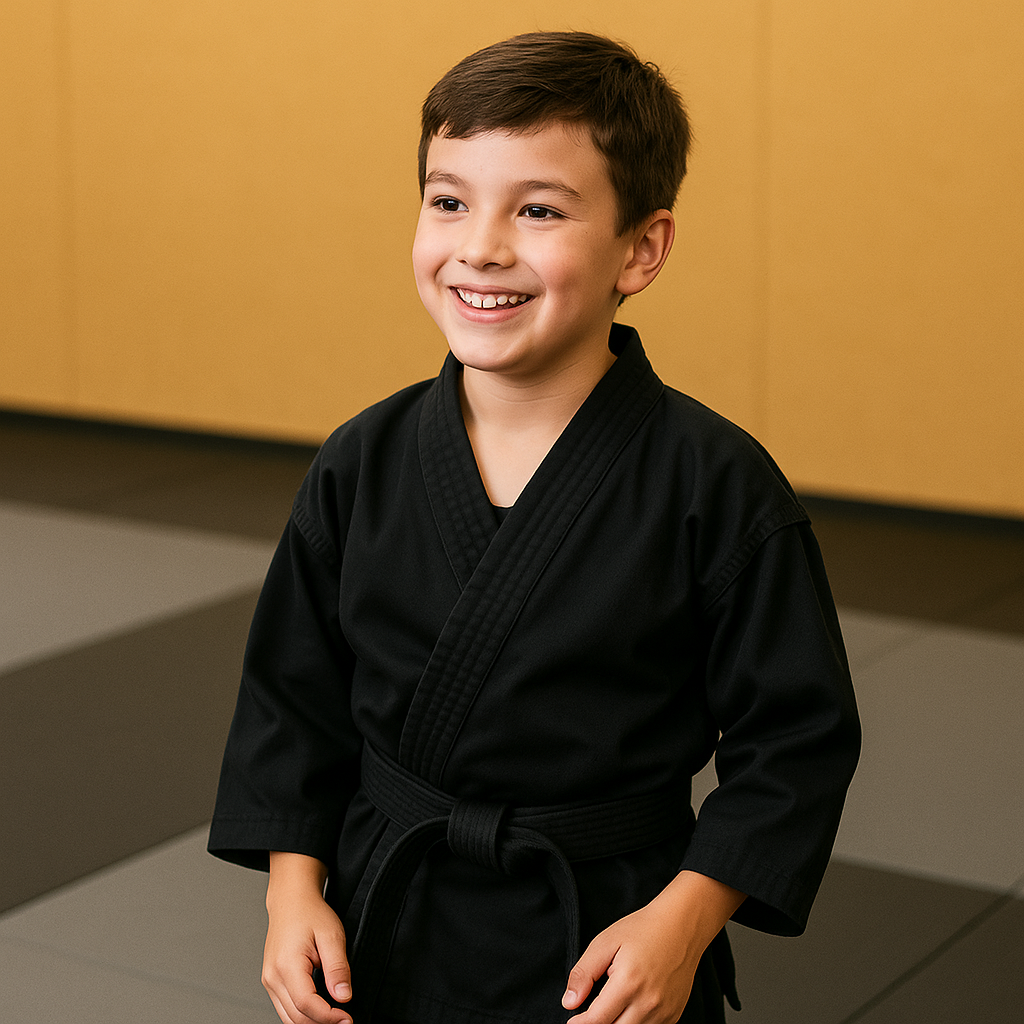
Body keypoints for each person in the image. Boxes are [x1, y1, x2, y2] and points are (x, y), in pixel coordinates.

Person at [208, 30, 860, 1024]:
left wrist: (683, 920)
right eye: (448, 199)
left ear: (639, 248)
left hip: (605, 935)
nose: (479, 247)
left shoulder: (714, 483)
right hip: (388, 922)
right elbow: (294, 699)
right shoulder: (361, 460)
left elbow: (797, 740)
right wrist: (291, 888)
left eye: (540, 210)